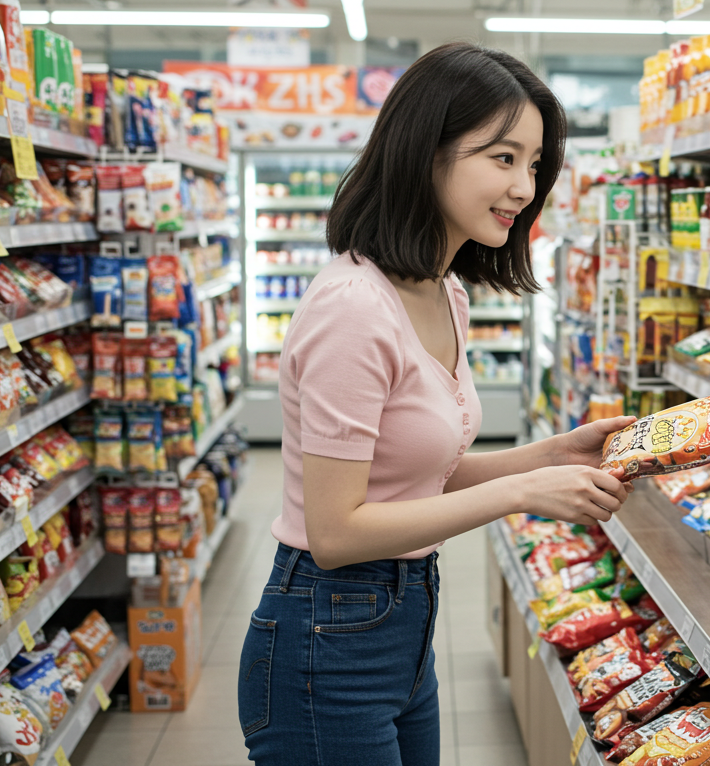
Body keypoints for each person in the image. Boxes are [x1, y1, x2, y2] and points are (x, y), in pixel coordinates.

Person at [236, 42, 634, 766]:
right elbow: (335, 531)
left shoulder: (444, 290)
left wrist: (551, 455)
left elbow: (417, 475)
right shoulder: (355, 307)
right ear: (428, 151)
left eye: (535, 164)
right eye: (502, 157)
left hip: (402, 619)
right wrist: (523, 492)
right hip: (327, 633)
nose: (524, 186)